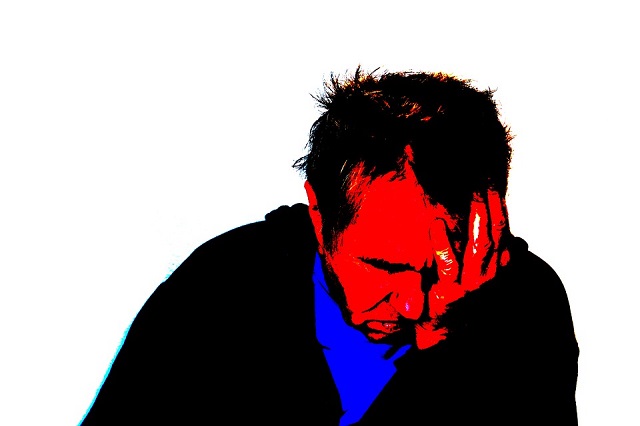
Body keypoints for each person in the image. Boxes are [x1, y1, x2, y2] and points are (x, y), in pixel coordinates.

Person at [80, 68, 579, 425]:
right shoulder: (222, 288)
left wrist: (447, 348)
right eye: (383, 266)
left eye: (437, 270)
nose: (413, 304)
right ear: (319, 217)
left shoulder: (525, 305)